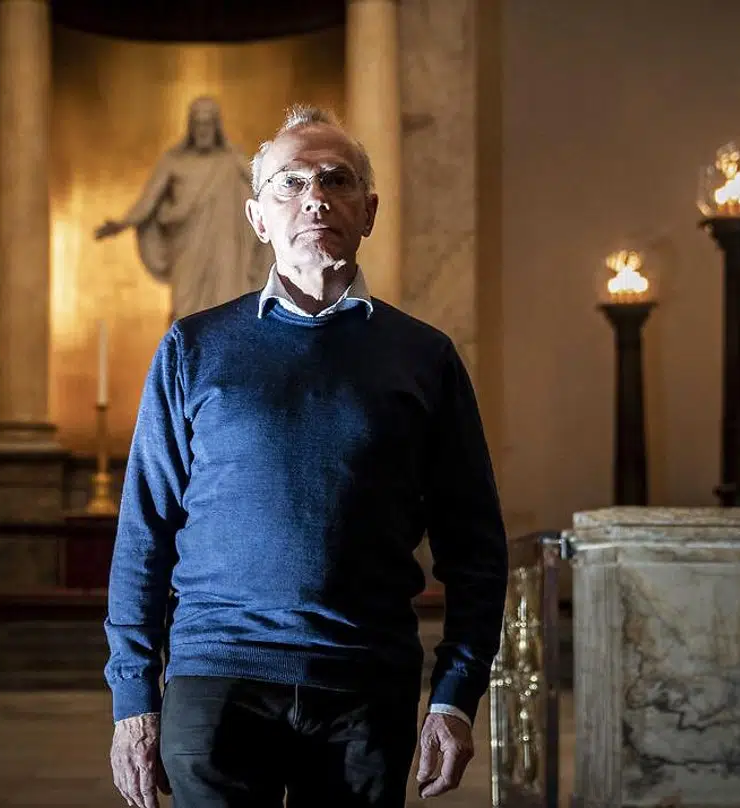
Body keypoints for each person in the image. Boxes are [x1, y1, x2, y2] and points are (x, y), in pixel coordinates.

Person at [104, 104, 508, 808]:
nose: (314, 197)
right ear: (258, 218)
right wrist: (133, 699)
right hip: (217, 677)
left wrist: (456, 696)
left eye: (335, 179)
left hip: (365, 682)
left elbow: (474, 543)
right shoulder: (193, 348)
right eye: (289, 184)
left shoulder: (424, 357)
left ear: (369, 209)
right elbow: (145, 532)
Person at [95, 96, 273, 321]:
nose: (203, 130)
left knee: (226, 306)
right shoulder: (173, 161)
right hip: (187, 249)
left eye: (208, 123)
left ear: (216, 126)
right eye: (198, 123)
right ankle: (183, 353)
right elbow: (149, 200)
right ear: (191, 126)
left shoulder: (232, 160)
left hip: (226, 249)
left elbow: (264, 188)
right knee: (184, 309)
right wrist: (123, 223)